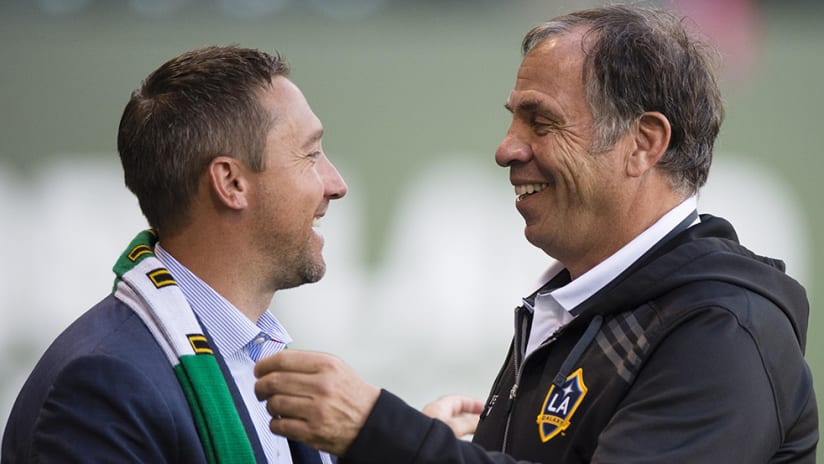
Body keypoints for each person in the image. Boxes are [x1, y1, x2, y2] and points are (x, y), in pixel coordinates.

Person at [253, 4, 819, 463]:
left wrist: (386, 434)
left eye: (541, 122)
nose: (507, 148)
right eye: (513, 118)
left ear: (644, 143)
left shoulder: (724, 331)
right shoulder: (581, 306)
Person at [2, 45, 348, 463]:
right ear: (231, 183)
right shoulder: (103, 385)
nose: (335, 183)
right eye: (310, 154)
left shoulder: (253, 358)